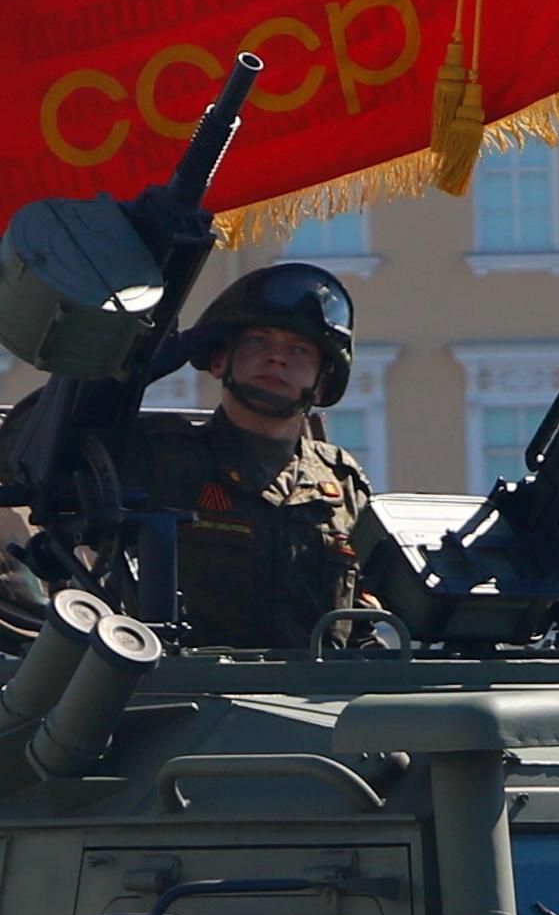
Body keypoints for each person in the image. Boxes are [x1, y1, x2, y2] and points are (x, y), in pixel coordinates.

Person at [122, 259, 375, 651]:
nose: (277, 358)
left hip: (320, 700)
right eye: (259, 340)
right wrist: (126, 374)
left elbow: (362, 623)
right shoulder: (160, 457)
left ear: (322, 383)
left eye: (300, 350)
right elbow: (24, 456)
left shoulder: (341, 483)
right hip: (191, 697)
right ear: (220, 360)